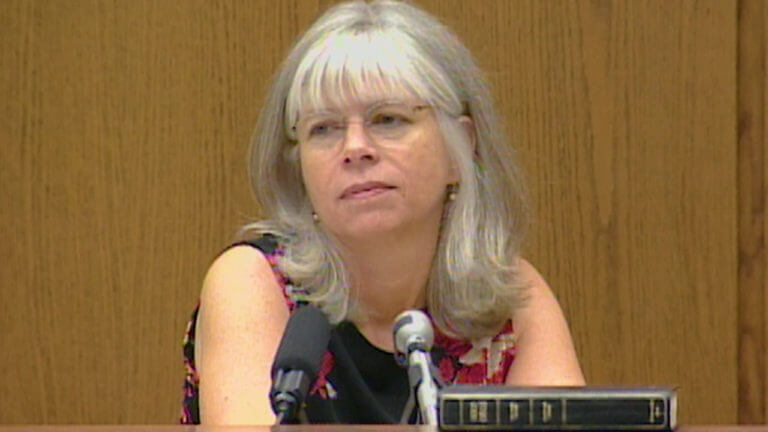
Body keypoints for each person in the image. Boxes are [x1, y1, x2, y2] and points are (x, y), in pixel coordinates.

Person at [180, 0, 584, 425]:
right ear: (299, 168)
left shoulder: (508, 297)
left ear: (459, 150)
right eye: (324, 129)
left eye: (387, 119)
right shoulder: (253, 283)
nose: (355, 148)